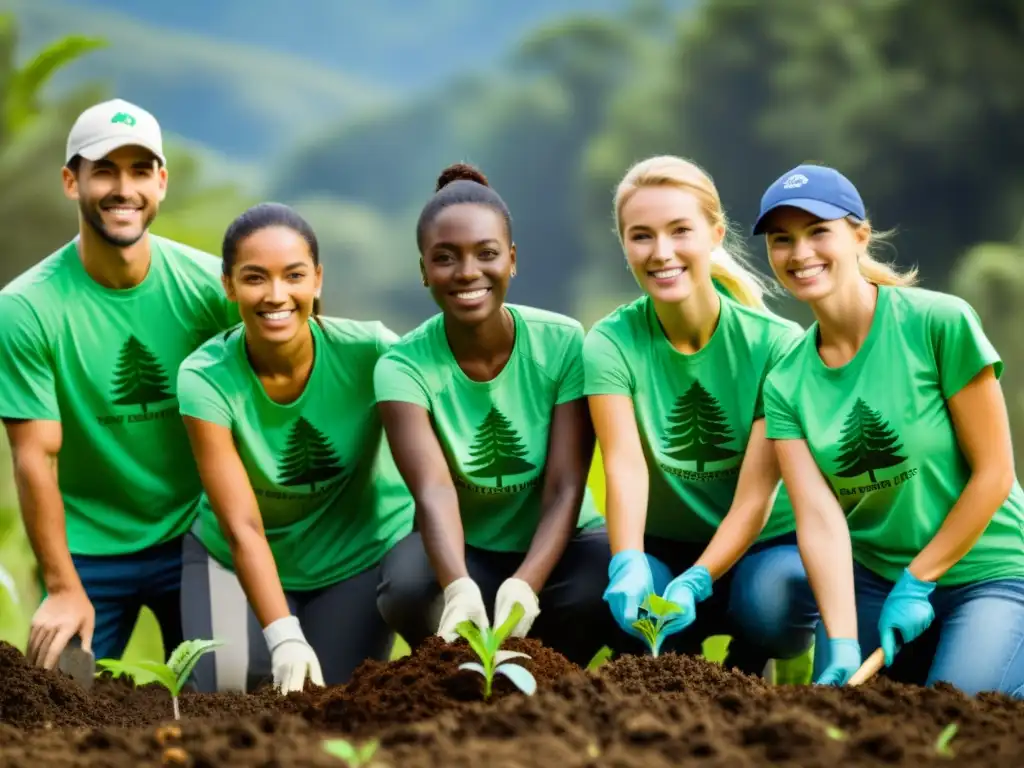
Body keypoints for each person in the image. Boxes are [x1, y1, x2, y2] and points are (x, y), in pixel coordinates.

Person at [756, 163, 1024, 696]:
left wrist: (920, 579)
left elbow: (994, 475)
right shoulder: (785, 382)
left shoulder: (939, 323)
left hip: (989, 572)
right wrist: (843, 637)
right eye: (782, 239)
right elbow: (819, 520)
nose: (800, 253)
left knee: (955, 708)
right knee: (840, 708)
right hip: (874, 581)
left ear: (859, 235)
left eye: (817, 232)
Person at [0, 98, 239, 669]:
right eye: (103, 170)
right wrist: (61, 586)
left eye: (138, 171)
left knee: (233, 687)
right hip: (88, 548)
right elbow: (35, 457)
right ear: (71, 181)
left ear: (161, 182)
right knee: (56, 692)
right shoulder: (25, 308)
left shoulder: (212, 289)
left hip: (196, 533)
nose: (121, 188)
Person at [584, 155, 819, 672]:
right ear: (624, 245)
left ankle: (767, 661)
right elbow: (624, 465)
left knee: (769, 610)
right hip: (663, 545)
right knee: (609, 600)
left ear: (714, 234)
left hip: (762, 544)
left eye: (680, 231)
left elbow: (756, 496)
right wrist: (626, 562)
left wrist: (699, 579)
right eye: (641, 236)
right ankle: (676, 671)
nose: (661, 252)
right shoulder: (609, 342)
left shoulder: (777, 345)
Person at [373, 162, 613, 666]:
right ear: (423, 270)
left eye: (486, 254)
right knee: (409, 588)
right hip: (466, 549)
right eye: (445, 258)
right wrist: (458, 585)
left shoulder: (563, 341)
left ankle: (554, 677)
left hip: (562, 544)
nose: (467, 273)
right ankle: (451, 678)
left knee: (600, 587)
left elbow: (566, 484)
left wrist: (526, 584)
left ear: (512, 259)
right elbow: (434, 490)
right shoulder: (402, 366)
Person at [176, 203, 414, 693]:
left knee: (335, 700)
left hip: (353, 557)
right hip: (232, 555)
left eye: (294, 275)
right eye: (255, 278)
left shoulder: (371, 351)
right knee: (228, 691)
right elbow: (241, 526)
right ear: (228, 285)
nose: (276, 295)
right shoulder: (205, 378)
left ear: (318, 280)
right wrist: (283, 634)